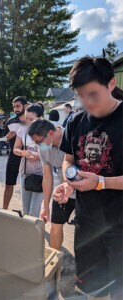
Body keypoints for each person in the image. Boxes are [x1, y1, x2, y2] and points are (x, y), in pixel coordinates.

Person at [53, 56, 123, 299]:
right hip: (87, 225)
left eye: (93, 94)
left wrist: (101, 182)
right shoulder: (75, 121)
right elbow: (68, 160)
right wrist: (67, 182)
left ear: (111, 83)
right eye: (81, 95)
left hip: (120, 229)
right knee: (90, 291)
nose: (86, 101)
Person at [28, 119, 75, 250]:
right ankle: (56, 264)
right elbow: (47, 177)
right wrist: (45, 206)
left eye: (38, 142)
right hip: (62, 190)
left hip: (84, 191)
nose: (38, 146)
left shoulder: (73, 136)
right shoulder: (43, 148)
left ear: (50, 133)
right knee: (55, 225)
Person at [13, 103, 44, 217]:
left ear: (40, 118)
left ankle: (35, 234)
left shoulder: (48, 131)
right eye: (26, 118)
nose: (28, 121)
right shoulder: (22, 130)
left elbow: (52, 151)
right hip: (25, 171)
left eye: (31, 119)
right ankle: (29, 232)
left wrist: (39, 155)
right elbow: (15, 149)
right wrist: (23, 152)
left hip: (42, 173)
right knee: (25, 209)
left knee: (34, 211)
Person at [3, 96, 28, 209]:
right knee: (8, 185)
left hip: (29, 157)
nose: (15, 109)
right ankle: (4, 210)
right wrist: (7, 137)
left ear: (25, 106)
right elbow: (3, 139)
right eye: (14, 107)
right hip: (13, 156)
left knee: (28, 186)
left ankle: (26, 212)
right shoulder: (10, 121)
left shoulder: (32, 121)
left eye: (18, 106)